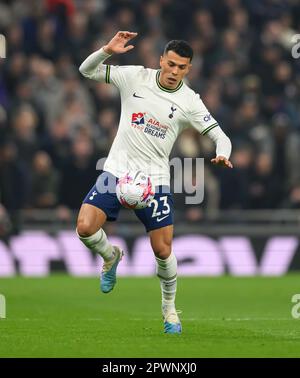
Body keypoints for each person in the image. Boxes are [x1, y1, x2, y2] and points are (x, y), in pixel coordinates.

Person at [77, 31, 233, 334]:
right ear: (161, 60)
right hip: (117, 171)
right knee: (84, 227)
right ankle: (111, 256)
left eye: (181, 67)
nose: (174, 72)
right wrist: (106, 50)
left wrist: (222, 153)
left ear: (189, 69)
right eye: (171, 64)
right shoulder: (135, 77)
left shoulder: (190, 101)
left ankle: (169, 309)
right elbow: (87, 70)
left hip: (156, 181)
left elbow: (220, 135)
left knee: (162, 251)